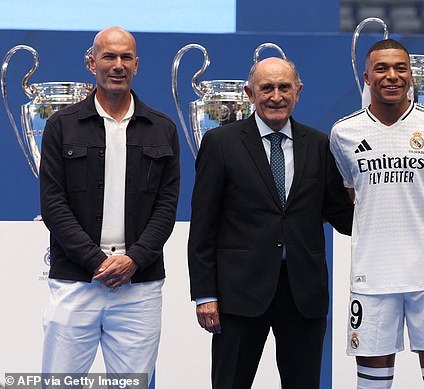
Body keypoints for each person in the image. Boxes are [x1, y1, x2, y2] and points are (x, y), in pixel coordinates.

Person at [188, 56, 354, 389]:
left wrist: (386, 195)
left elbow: (342, 215)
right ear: (250, 93)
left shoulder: (321, 145)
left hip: (303, 294)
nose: (275, 96)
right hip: (238, 295)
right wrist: (205, 294)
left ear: (298, 91)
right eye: (266, 88)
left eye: (284, 87)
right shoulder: (220, 143)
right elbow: (203, 225)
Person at [39, 27, 180, 385]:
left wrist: (133, 260)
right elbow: (53, 204)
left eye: (125, 57)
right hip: (76, 282)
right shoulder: (60, 126)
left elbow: (167, 207)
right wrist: (99, 262)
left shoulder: (162, 128)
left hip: (140, 287)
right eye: (109, 57)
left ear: (137, 65)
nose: (117, 65)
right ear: (91, 63)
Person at [329, 39, 424, 389]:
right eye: (381, 68)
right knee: (373, 383)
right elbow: (347, 197)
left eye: (400, 68)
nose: (391, 76)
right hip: (372, 278)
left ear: (411, 75)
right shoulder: (343, 133)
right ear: (366, 77)